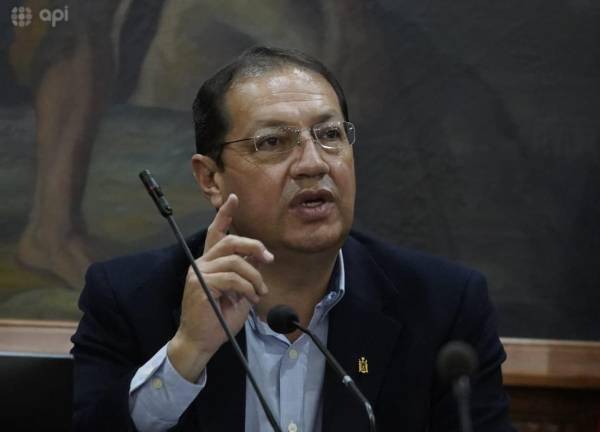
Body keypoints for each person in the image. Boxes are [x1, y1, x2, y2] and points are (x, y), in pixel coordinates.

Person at [71, 46, 514, 431]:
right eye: (273, 142)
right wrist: (188, 350)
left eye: (330, 135)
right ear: (210, 178)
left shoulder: (443, 304)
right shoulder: (130, 298)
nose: (313, 163)